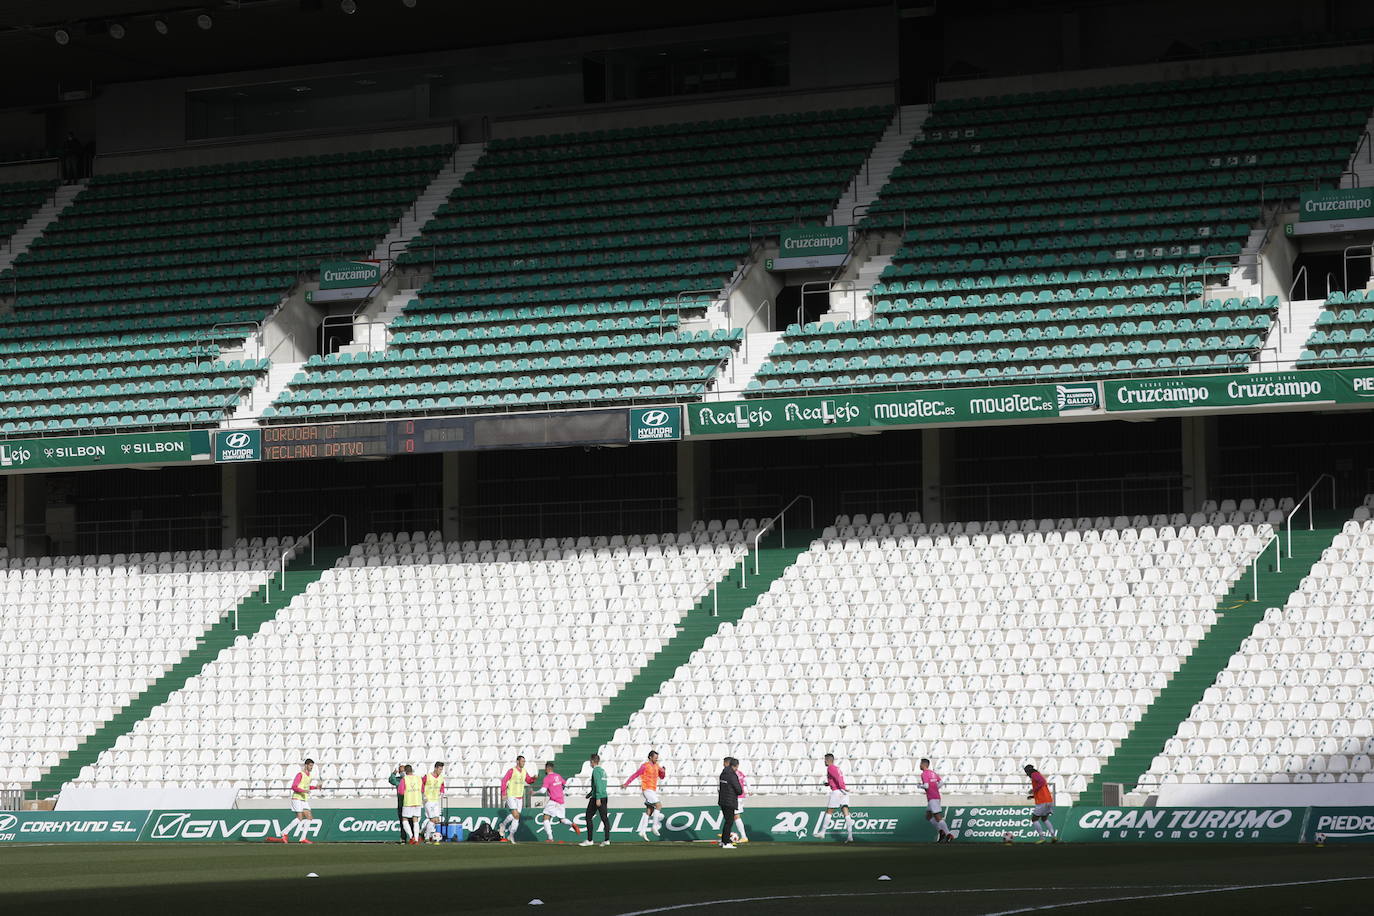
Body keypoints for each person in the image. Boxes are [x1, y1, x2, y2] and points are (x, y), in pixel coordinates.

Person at [267, 758, 319, 844]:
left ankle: (302, 838)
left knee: (309, 818)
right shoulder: (300, 774)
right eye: (310, 765)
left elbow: (306, 787)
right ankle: (284, 833)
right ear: (306, 765)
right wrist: (304, 791)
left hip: (303, 799)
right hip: (297, 798)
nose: (311, 767)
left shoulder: (309, 775)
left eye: (312, 766)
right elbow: (294, 787)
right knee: (300, 818)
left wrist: (315, 787)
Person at [621, 750, 667, 841]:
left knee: (650, 810)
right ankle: (654, 826)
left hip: (652, 790)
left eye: (657, 757)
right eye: (655, 757)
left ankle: (642, 831)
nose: (657, 759)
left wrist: (663, 771)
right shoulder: (645, 766)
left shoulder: (657, 766)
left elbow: (662, 777)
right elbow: (635, 775)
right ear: (650, 757)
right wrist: (626, 784)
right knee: (659, 805)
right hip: (647, 789)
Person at [536, 761, 581, 842]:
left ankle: (550, 838)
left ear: (547, 768)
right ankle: (572, 824)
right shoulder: (558, 776)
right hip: (561, 800)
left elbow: (543, 791)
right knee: (562, 819)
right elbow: (565, 784)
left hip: (553, 800)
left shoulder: (547, 778)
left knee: (545, 817)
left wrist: (534, 792)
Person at [499, 754, 535, 843]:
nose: (523, 763)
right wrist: (503, 793)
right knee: (516, 816)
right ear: (517, 761)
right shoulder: (511, 771)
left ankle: (503, 825)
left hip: (520, 797)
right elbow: (504, 781)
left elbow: (528, 780)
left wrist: (533, 779)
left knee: (516, 816)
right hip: (511, 795)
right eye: (522, 761)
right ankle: (511, 835)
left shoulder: (524, 771)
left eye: (524, 761)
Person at [580, 753, 611, 847]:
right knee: (604, 818)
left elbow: (597, 784)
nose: (590, 763)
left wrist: (597, 797)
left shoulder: (596, 771)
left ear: (593, 761)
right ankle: (607, 840)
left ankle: (589, 840)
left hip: (597, 797)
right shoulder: (603, 771)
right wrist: (590, 793)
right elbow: (601, 784)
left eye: (590, 761)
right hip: (604, 796)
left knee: (588, 817)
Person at [822, 753, 853, 843]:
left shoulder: (830, 768)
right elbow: (836, 778)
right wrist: (829, 783)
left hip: (837, 791)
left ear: (828, 760)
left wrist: (843, 788)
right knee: (846, 813)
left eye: (825, 760)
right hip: (842, 792)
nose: (824, 761)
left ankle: (822, 832)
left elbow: (838, 778)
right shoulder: (836, 768)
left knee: (829, 811)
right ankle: (850, 836)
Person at [1024, 764, 1059, 844]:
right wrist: (1033, 796)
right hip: (1048, 800)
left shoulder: (1034, 774)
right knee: (1044, 819)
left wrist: (1033, 790)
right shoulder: (1037, 774)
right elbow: (1041, 788)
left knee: (1034, 819)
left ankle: (1042, 838)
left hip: (1042, 802)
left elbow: (1042, 782)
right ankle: (1054, 837)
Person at [920, 758, 953, 843]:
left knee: (938, 817)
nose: (919, 765)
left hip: (932, 798)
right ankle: (941, 832)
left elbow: (926, 786)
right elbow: (941, 782)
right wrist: (935, 788)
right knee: (928, 816)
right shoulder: (933, 773)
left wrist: (919, 786)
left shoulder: (924, 774)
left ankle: (949, 834)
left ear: (924, 765)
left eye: (920, 764)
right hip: (935, 796)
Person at [718, 756, 743, 849]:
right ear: (736, 766)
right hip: (730, 801)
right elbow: (739, 789)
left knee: (727, 821)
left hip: (722, 800)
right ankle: (726, 842)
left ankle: (723, 841)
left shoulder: (723, 773)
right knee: (729, 822)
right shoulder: (732, 775)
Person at [422, 761, 446, 844]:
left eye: (441, 769)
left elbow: (442, 785)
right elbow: (421, 784)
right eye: (439, 769)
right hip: (428, 800)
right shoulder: (427, 776)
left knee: (437, 820)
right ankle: (427, 838)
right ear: (435, 768)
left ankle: (422, 832)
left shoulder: (441, 777)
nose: (440, 771)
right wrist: (423, 795)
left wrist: (442, 792)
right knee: (433, 820)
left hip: (436, 800)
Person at [399, 764, 423, 844]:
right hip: (417, 801)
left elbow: (401, 792)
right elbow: (422, 789)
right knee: (415, 820)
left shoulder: (404, 779)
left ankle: (411, 836)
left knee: (405, 819)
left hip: (408, 802)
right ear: (412, 770)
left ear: (405, 771)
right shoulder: (418, 778)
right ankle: (416, 839)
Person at [729, 759, 749, 844]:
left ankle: (744, 837)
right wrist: (749, 789)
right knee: (734, 815)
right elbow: (746, 780)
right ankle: (730, 834)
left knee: (736, 816)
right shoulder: (740, 773)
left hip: (737, 797)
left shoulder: (733, 773)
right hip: (740, 796)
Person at [388, 762, 407, 844]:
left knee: (411, 822)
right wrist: (393, 774)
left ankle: (414, 837)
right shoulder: (398, 780)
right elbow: (391, 780)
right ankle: (403, 838)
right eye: (400, 771)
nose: (402, 772)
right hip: (401, 804)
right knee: (403, 822)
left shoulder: (410, 779)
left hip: (410, 804)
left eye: (403, 770)